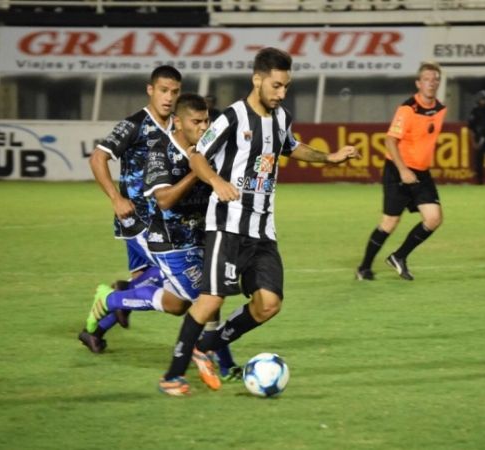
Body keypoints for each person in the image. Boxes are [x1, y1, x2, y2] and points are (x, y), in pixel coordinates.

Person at [157, 47, 358, 396]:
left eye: (286, 87)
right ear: (257, 79)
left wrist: (331, 157)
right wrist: (217, 182)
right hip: (226, 225)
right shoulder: (232, 118)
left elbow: (292, 146)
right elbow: (198, 157)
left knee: (269, 303)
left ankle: (207, 344)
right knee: (211, 300)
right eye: (276, 86)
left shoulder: (281, 118)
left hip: (263, 230)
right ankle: (173, 375)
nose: (282, 94)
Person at [82, 93, 241, 381]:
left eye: (206, 121)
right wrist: (196, 172)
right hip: (169, 243)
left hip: (199, 237)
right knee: (208, 298)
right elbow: (165, 200)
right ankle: (226, 365)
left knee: (178, 305)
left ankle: (114, 299)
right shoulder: (159, 151)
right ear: (178, 123)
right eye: (196, 121)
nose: (204, 127)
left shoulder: (205, 149)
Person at [79, 66, 182, 353]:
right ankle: (119, 293)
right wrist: (115, 198)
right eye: (163, 90)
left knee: (143, 284)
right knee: (172, 274)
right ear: (150, 90)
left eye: (174, 92)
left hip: (163, 219)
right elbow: (98, 158)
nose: (168, 97)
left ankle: (94, 331)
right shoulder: (134, 124)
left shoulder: (177, 125)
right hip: (135, 218)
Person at [355, 62, 447, 281]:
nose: (431, 83)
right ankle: (364, 268)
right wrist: (403, 169)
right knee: (389, 223)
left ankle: (399, 256)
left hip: (421, 173)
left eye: (435, 79)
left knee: (434, 218)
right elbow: (389, 140)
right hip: (398, 172)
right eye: (427, 79)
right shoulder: (407, 109)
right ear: (418, 83)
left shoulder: (441, 109)